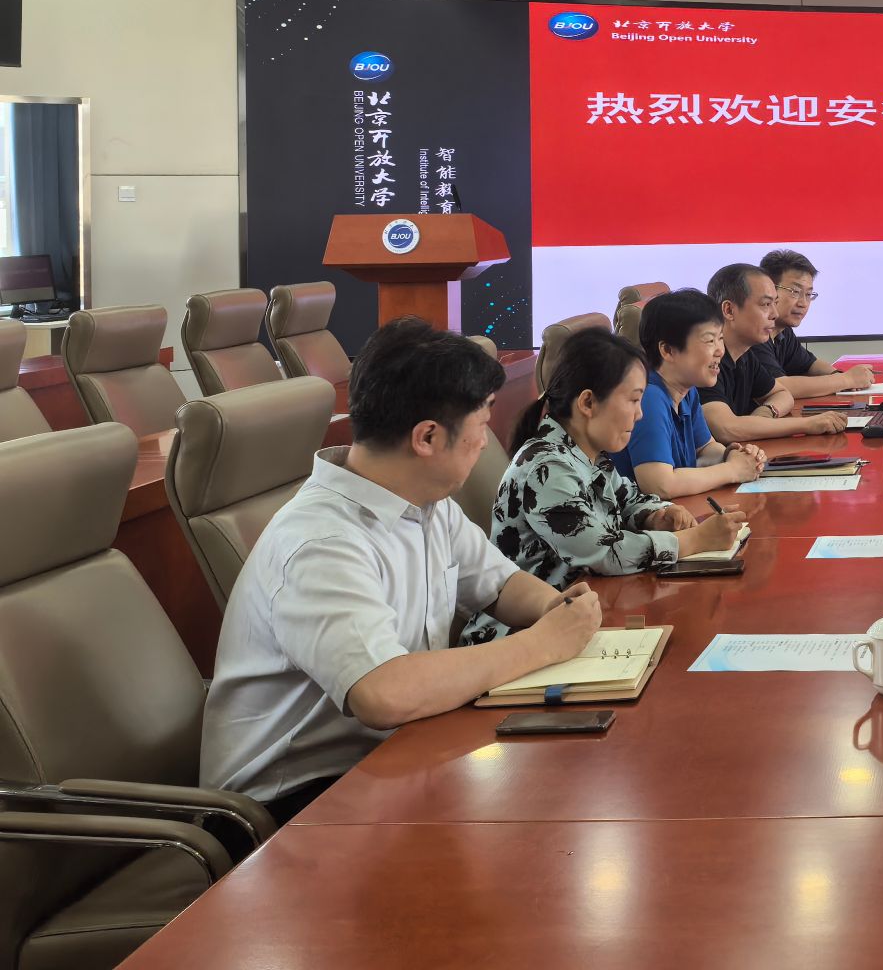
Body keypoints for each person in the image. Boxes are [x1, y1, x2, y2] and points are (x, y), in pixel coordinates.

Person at [201, 318, 603, 821]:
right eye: (480, 424)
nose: (485, 442)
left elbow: (499, 585)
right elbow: (383, 693)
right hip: (290, 804)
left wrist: (557, 609)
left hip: (393, 757)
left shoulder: (427, 502)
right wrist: (542, 644)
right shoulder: (321, 541)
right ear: (427, 437)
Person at [460, 328, 749, 645]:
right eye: (633, 400)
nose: (640, 414)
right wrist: (694, 540)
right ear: (587, 402)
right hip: (521, 636)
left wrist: (656, 515)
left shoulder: (587, 455)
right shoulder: (547, 467)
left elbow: (630, 499)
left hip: (581, 617)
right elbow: (603, 553)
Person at [619, 289, 770, 498]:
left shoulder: (687, 392)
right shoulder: (648, 398)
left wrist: (734, 455)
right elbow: (659, 484)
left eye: (720, 338)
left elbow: (706, 448)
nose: (720, 350)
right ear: (668, 350)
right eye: (709, 341)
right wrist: (732, 470)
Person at [702, 262, 849, 444]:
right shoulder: (706, 360)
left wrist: (766, 412)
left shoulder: (745, 356)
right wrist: (807, 424)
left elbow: (782, 394)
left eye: (774, 303)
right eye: (766, 304)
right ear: (729, 310)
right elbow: (726, 429)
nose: (774, 314)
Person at [760, 248, 876, 399]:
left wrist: (841, 376)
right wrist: (846, 380)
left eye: (808, 294)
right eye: (795, 291)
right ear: (769, 289)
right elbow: (778, 387)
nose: (803, 303)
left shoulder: (783, 332)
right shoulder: (755, 333)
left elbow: (809, 365)